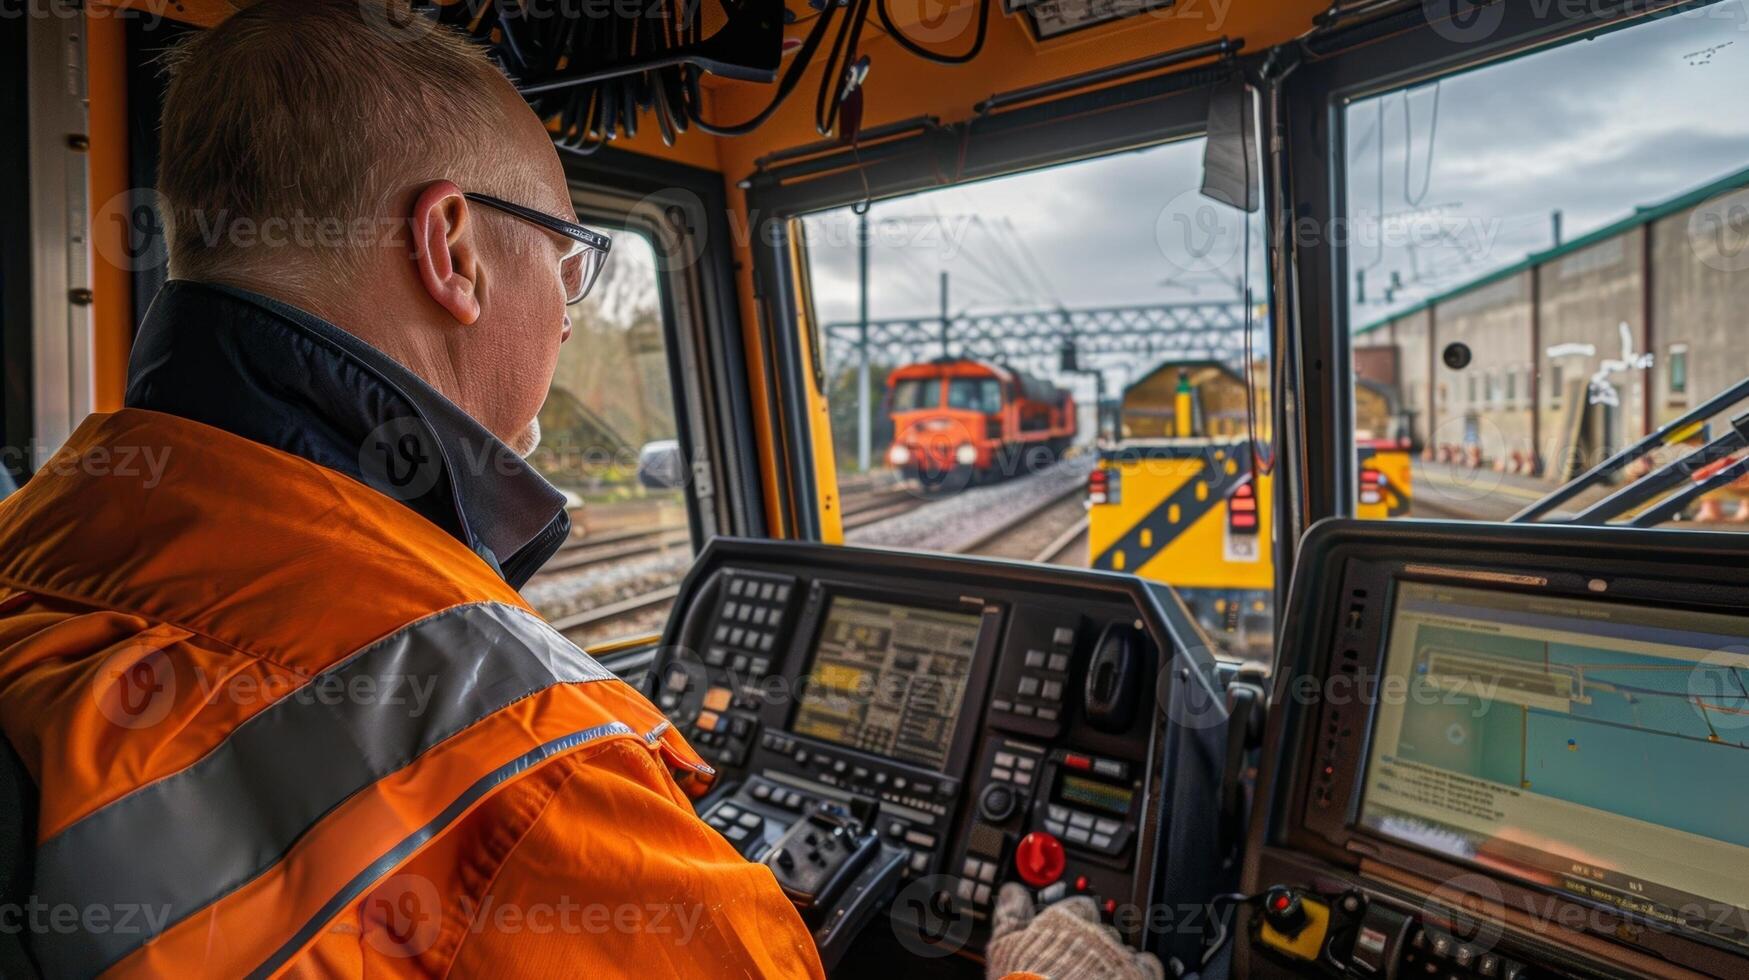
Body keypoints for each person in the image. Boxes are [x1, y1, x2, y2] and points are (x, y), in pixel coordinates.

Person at [0, 2, 819, 974]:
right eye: (568, 256)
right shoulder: (535, 771)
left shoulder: (36, 542)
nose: (566, 316)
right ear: (454, 252)